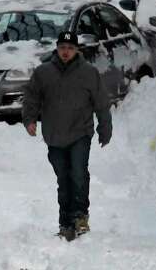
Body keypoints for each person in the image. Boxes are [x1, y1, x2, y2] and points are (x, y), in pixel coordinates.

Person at [23, 30, 112, 241]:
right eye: (62, 47)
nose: (66, 52)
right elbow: (31, 98)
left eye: (70, 48)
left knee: (79, 174)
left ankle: (80, 217)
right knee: (63, 179)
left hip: (80, 131)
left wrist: (105, 127)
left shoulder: (89, 73)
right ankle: (65, 222)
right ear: (57, 48)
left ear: (77, 50)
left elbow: (101, 102)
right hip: (54, 135)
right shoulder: (43, 72)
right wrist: (29, 119)